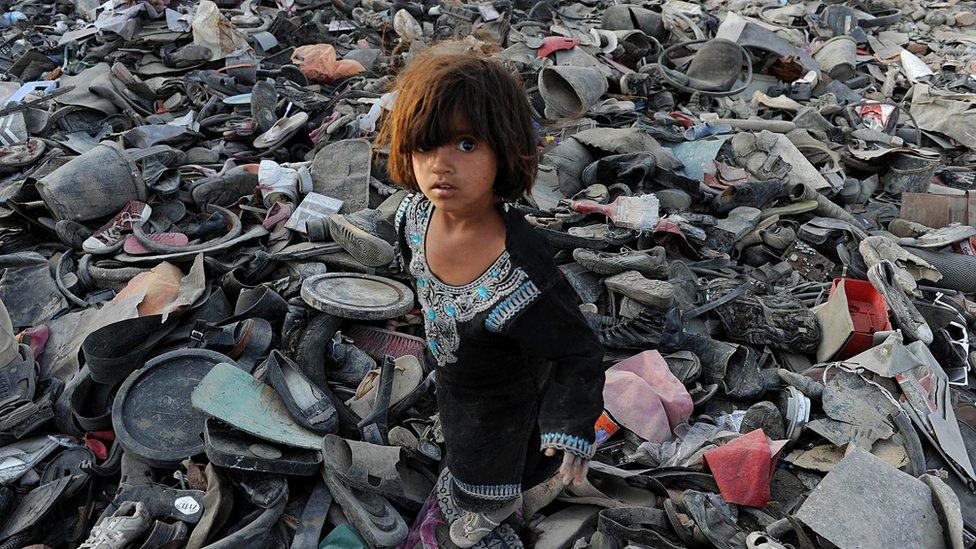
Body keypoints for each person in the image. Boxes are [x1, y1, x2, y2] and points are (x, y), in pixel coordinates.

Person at [374, 46, 606, 547]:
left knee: (488, 470)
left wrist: (569, 424)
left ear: (504, 148)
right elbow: (411, 266)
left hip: (507, 401)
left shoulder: (522, 272)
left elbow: (577, 350)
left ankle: (494, 510)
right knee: (458, 430)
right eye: (424, 147)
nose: (440, 167)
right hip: (456, 375)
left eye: (464, 144)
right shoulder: (415, 217)